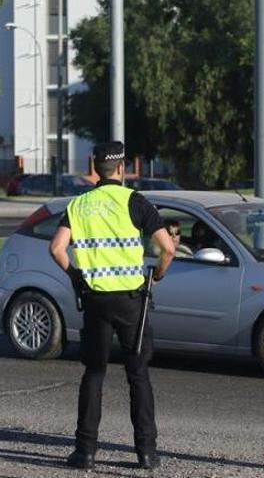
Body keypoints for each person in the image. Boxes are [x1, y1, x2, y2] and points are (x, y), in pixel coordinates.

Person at [49, 141, 175, 471]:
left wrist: (77, 276)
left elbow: (57, 249)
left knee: (94, 373)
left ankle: (86, 452)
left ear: (96, 170)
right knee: (138, 375)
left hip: (95, 301)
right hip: (132, 301)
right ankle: (146, 453)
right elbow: (168, 248)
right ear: (121, 169)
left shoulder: (78, 205)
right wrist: (157, 275)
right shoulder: (135, 201)